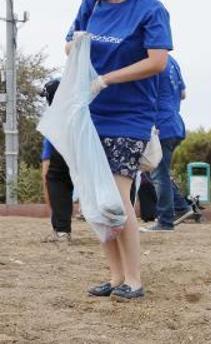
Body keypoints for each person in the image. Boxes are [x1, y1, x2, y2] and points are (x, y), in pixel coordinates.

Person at [67, 0, 173, 301]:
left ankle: (134, 279)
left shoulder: (150, 9)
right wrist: (76, 46)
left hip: (130, 116)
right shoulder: (92, 5)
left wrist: (107, 79)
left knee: (115, 196)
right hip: (91, 113)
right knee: (97, 200)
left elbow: (157, 61)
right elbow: (69, 45)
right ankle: (115, 276)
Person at [142, 54, 188, 232]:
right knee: (160, 172)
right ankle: (182, 208)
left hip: (161, 125)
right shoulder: (172, 62)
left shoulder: (152, 61)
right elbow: (183, 93)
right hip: (175, 123)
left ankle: (165, 221)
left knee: (158, 174)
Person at [39, 79, 75, 243]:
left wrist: (55, 216)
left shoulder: (54, 118)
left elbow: (47, 169)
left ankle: (61, 230)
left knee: (56, 178)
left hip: (66, 148)